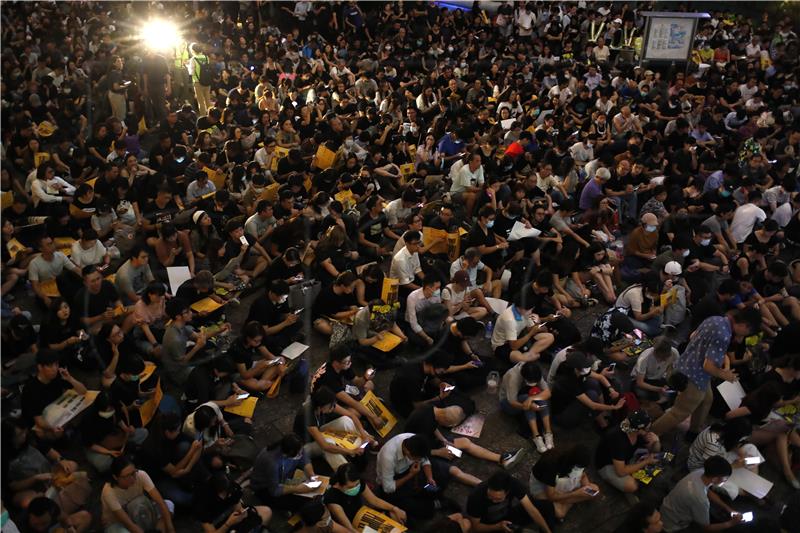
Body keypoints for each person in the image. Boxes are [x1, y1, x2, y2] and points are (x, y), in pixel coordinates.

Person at [650, 308, 761, 437]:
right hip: (695, 377)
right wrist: (726, 375)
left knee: (707, 399)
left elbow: (693, 336)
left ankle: (694, 430)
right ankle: (650, 435)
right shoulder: (724, 336)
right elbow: (708, 366)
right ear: (744, 325)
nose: (744, 335)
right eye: (747, 332)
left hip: (685, 363)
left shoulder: (715, 319)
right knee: (679, 413)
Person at [293, 387, 375, 471]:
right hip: (306, 445)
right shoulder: (307, 415)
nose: (333, 408)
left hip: (319, 431)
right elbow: (325, 446)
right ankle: (346, 473)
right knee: (329, 444)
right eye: (331, 406)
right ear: (321, 406)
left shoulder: (324, 404)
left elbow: (351, 415)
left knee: (345, 420)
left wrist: (363, 434)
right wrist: (351, 451)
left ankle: (369, 441)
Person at [659, 456, 745, 532]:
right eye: (725, 479)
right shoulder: (701, 500)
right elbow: (706, 528)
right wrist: (731, 523)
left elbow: (707, 491)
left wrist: (728, 509)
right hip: (673, 525)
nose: (726, 481)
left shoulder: (699, 472)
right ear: (715, 479)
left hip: (666, 507)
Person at [21, 349, 88, 441]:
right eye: (50, 366)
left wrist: (70, 378)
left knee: (84, 405)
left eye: (56, 364)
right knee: (45, 434)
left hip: (56, 409)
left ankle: (68, 431)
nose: (55, 369)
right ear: (40, 367)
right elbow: (38, 419)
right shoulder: (31, 388)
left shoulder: (57, 376)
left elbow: (83, 391)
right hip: (39, 418)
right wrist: (52, 428)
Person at [101, 456, 176, 533]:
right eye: (126, 476)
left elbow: (161, 503)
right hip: (118, 522)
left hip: (140, 511)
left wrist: (171, 529)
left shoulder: (141, 475)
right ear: (115, 477)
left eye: (133, 473)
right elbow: (128, 524)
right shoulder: (109, 492)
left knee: (168, 505)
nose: (132, 478)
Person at [325, 463, 407, 532]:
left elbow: (374, 500)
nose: (355, 488)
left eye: (357, 484)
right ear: (339, 485)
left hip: (362, 514)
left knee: (395, 517)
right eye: (351, 487)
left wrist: (395, 508)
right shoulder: (332, 497)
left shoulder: (358, 482)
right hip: (348, 524)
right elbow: (347, 526)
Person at [594, 411, 661, 494]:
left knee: (653, 458)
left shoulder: (637, 432)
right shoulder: (618, 440)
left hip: (624, 459)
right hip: (607, 464)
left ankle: (632, 468)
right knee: (632, 486)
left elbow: (655, 451)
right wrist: (646, 461)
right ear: (639, 430)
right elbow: (620, 472)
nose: (649, 431)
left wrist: (656, 441)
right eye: (647, 428)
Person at [465, 470, 553, 533]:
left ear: (507, 492)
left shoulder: (513, 484)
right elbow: (476, 527)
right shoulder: (476, 496)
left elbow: (531, 510)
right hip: (490, 526)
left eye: (498, 499)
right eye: (490, 497)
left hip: (508, 517)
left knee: (546, 506)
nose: (494, 501)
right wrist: (498, 526)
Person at [250, 433, 319, 512]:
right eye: (298, 453)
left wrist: (312, 475)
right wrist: (297, 489)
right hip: (265, 487)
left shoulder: (293, 446)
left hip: (284, 478)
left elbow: (304, 459)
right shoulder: (272, 463)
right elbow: (275, 491)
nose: (301, 454)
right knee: (301, 502)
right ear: (289, 453)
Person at [528, 444, 598, 522]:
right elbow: (551, 496)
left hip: (564, 483)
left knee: (594, 491)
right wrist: (576, 494)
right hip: (542, 486)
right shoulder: (550, 464)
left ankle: (565, 501)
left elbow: (583, 475)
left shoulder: (574, 457)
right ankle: (569, 500)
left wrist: (586, 486)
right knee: (560, 513)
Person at [499, 361, 554, 453]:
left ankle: (548, 433)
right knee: (527, 401)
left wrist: (532, 398)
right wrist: (527, 405)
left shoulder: (535, 373)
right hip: (508, 403)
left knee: (540, 398)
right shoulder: (513, 377)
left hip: (526, 394)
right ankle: (536, 436)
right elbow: (512, 401)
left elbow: (547, 393)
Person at [491, 290, 555, 365]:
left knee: (550, 337)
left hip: (519, 337)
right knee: (519, 357)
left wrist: (540, 328)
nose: (531, 312)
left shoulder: (525, 311)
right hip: (503, 345)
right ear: (520, 307)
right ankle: (530, 355)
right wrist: (531, 333)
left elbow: (530, 328)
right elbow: (514, 346)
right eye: (529, 309)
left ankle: (529, 354)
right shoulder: (509, 319)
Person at [195, 472, 272, 533]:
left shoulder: (232, 489)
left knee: (266, 511)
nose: (229, 495)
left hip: (230, 517)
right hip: (217, 524)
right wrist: (228, 524)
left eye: (230, 492)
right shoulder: (202, 502)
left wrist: (242, 513)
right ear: (215, 492)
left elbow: (238, 507)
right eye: (225, 493)